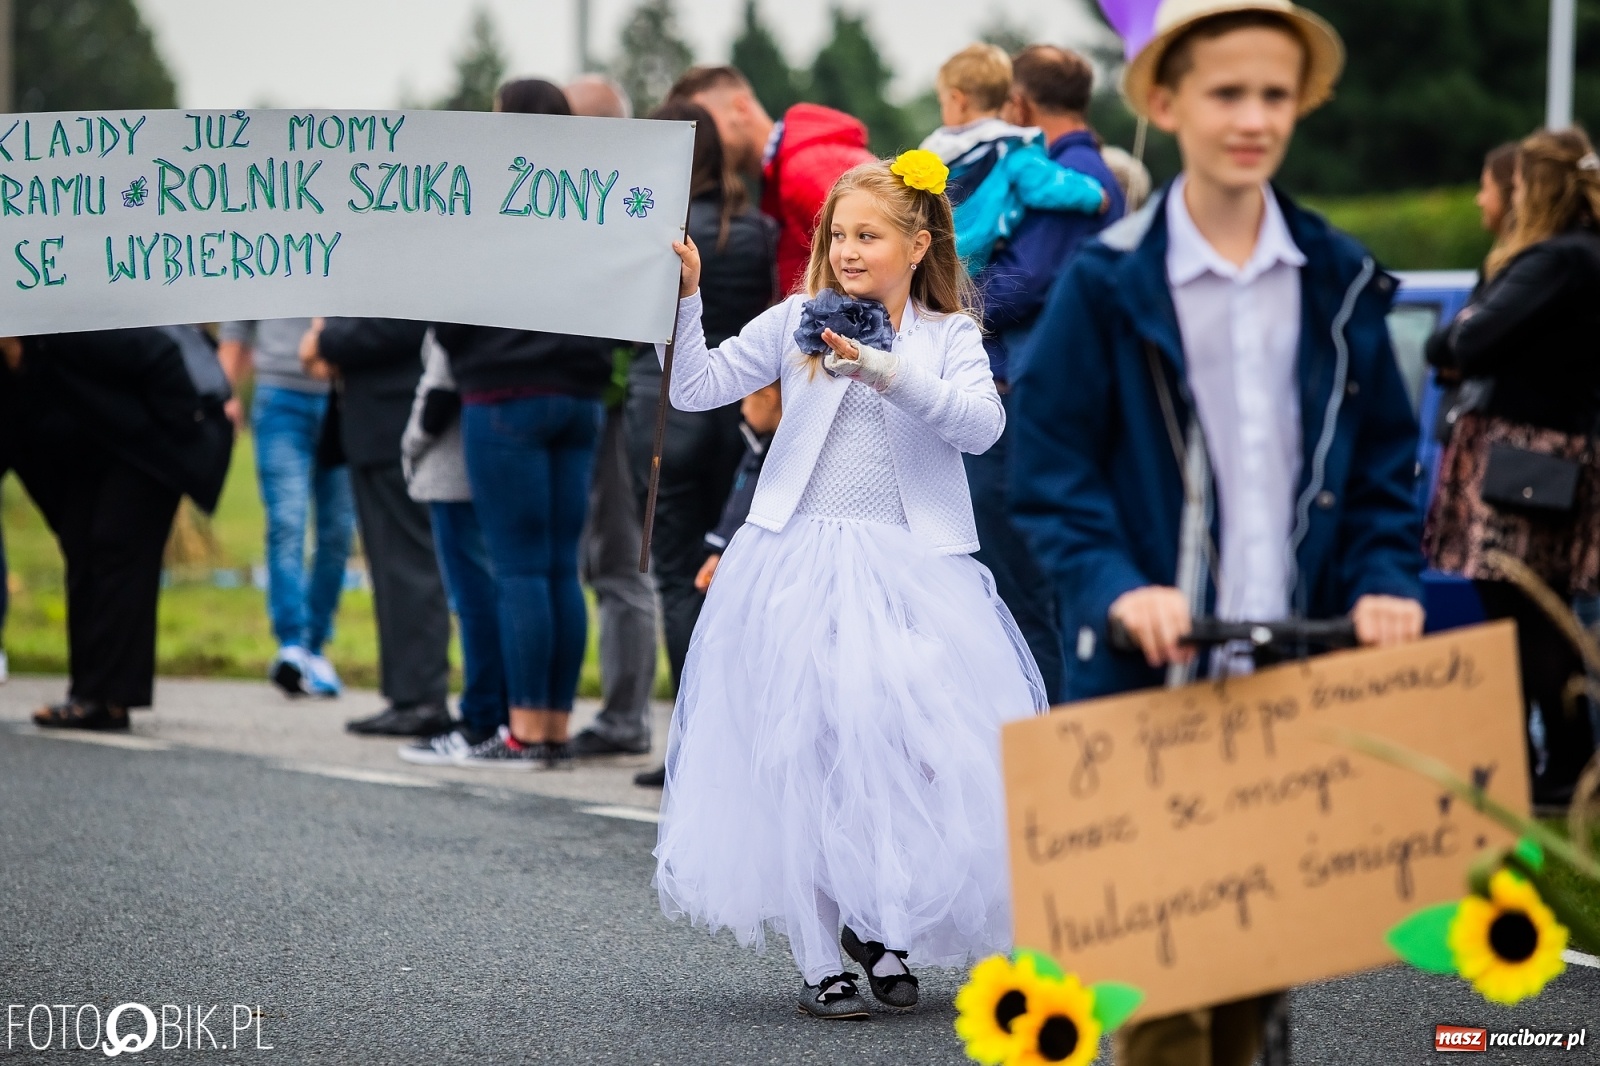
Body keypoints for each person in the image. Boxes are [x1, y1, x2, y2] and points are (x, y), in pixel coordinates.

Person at [1009, 2, 1424, 1062]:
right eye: (1226, 93)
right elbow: (1051, 471)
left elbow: (1382, 470)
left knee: (1254, 994)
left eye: (1274, 95)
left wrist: (1383, 580)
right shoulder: (1105, 282)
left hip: (1291, 683)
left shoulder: (1337, 278)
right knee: (1165, 1006)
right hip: (1149, 690)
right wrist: (1114, 582)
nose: (1252, 118)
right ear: (1163, 101)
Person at [653, 155, 1046, 1020]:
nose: (848, 251)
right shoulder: (800, 320)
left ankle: (884, 923)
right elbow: (695, 384)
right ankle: (817, 950)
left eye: (868, 236)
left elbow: (981, 428)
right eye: (837, 235)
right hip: (797, 562)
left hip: (913, 570)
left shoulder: (948, 338)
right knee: (807, 748)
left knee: (907, 752)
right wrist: (683, 300)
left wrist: (882, 367)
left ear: (919, 243)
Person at [433, 77, 614, 771]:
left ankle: (521, 730)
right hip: (580, 398)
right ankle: (554, 727)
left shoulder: (484, 204)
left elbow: (445, 315)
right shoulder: (591, 201)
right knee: (561, 567)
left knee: (517, 569)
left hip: (502, 398)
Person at [1425, 127, 1600, 810]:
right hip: (1565, 451)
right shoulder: (1582, 259)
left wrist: (1466, 336)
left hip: (1526, 457)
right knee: (1542, 610)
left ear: (1538, 189)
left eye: (1516, 185)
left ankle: (1558, 766)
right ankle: (1559, 760)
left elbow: (1461, 340)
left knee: (1521, 608)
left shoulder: (1553, 261)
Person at [624, 99, 776, 705]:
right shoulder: (760, 230)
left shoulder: (650, 233)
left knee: (678, 575)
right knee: (734, 574)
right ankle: (735, 730)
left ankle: (689, 739)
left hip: (664, 411)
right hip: (743, 411)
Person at [5, 327, 232, 729]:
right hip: (97, 451)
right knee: (84, 552)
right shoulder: (14, 363)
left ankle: (109, 698)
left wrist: (174, 432)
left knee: (119, 552)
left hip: (155, 441)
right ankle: (89, 693)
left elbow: (159, 355)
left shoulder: (65, 333)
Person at [562, 73, 660, 760]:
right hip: (597, 399)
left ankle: (626, 717)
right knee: (603, 558)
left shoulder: (629, 197)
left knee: (621, 560)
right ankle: (619, 711)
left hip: (619, 403)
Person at [303, 318, 454, 738]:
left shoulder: (404, 259)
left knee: (409, 567)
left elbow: (401, 326)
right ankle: (406, 695)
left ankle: (422, 698)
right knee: (390, 569)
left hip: (395, 422)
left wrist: (326, 339)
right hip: (372, 425)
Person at [218, 318, 354, 698]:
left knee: (338, 530)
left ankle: (316, 645)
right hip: (280, 395)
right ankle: (291, 644)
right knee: (287, 522)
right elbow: (236, 326)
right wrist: (223, 391)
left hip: (342, 394)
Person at [396, 330, 509, 765]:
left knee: (473, 599)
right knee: (497, 592)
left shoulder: (457, 299)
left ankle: (481, 713)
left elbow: (439, 384)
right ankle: (504, 710)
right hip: (492, 458)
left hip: (453, 465)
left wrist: (410, 444)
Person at [667, 66, 873, 294]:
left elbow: (878, 260)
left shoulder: (803, 170)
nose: (699, 137)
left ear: (740, 108)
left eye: (704, 122)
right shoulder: (786, 174)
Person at [919, 43, 1107, 274]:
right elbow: (1048, 185)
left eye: (942, 101)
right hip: (967, 264)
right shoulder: (1012, 148)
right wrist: (1094, 196)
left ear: (959, 100)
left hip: (925, 254)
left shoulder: (933, 148)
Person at [693, 382, 782, 596]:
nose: (742, 410)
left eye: (745, 401)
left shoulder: (776, 457)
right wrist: (719, 550)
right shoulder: (756, 448)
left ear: (769, 399)